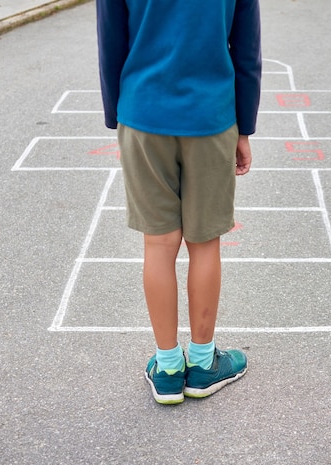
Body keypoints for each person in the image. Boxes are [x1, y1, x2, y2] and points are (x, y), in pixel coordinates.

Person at [96, 0, 261, 404]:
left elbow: (110, 41)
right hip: (210, 115)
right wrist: (246, 126)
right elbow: (246, 48)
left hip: (144, 111)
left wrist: (116, 114)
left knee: (158, 243)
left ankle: (168, 368)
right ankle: (203, 365)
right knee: (204, 242)